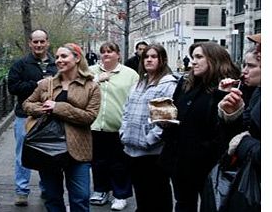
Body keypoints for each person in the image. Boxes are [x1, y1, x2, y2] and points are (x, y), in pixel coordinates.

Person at [159, 41, 241, 212]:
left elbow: (221, 126)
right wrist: (164, 120)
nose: (193, 62)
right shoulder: (185, 84)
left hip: (207, 164)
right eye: (192, 57)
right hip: (179, 161)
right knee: (183, 203)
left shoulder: (227, 88)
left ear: (214, 59)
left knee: (210, 206)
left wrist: (221, 95)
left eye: (199, 57)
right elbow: (176, 114)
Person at [23, 43, 101, 212]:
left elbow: (89, 117)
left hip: (78, 149)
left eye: (64, 56)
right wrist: (41, 108)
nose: (59, 60)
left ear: (77, 58)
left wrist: (58, 107)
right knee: (52, 198)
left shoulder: (91, 86)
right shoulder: (47, 84)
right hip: (47, 147)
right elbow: (27, 104)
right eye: (57, 57)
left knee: (80, 198)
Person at [119, 44, 177, 212]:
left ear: (162, 60)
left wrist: (148, 140)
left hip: (153, 154)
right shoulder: (139, 83)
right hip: (132, 150)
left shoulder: (167, 84)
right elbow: (126, 111)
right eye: (146, 57)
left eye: (153, 56)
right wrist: (124, 133)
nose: (149, 60)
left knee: (158, 197)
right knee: (142, 196)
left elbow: (164, 120)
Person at [7, 29, 58, 206]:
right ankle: (22, 191)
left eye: (42, 41)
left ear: (47, 42)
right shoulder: (20, 64)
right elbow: (12, 87)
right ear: (30, 43)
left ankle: (46, 187)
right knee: (22, 154)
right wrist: (35, 85)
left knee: (48, 153)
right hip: (25, 116)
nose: (39, 45)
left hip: (50, 118)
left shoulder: (56, 64)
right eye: (35, 42)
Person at [88, 42, 139, 210]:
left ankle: (120, 194)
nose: (106, 55)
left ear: (118, 55)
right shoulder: (91, 71)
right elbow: (81, 89)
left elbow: (135, 99)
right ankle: (101, 190)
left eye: (110, 52)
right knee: (98, 161)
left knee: (120, 163)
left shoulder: (130, 74)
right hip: (95, 126)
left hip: (119, 126)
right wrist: (96, 80)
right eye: (103, 52)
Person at [215, 34, 261, 211]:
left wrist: (244, 144)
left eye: (251, 65)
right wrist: (231, 113)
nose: (244, 71)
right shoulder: (257, 91)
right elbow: (239, 130)